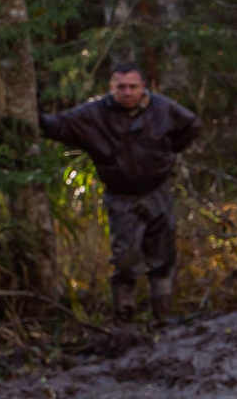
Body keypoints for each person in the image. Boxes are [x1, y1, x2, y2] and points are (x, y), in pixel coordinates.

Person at [38, 58, 201, 324]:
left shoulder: (162, 108)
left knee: (162, 256)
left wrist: (166, 154)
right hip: (121, 196)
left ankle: (164, 315)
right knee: (125, 258)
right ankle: (124, 318)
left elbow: (192, 125)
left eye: (133, 87)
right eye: (121, 87)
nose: (127, 92)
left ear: (143, 87)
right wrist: (30, 116)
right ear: (111, 87)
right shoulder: (95, 114)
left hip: (157, 191)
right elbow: (59, 126)